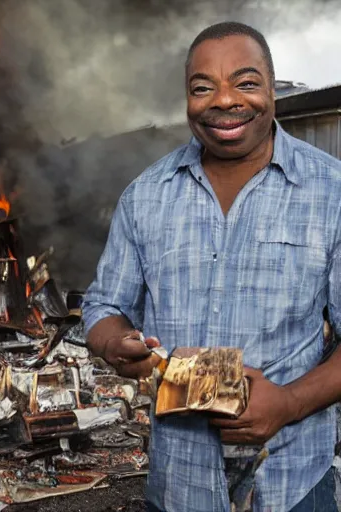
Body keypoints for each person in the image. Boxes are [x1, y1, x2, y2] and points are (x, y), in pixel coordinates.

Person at [83, 22, 341, 512]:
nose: (224, 100)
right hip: (179, 488)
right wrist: (116, 342)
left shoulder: (332, 192)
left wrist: (287, 405)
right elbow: (103, 305)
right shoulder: (145, 197)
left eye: (245, 83)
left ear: (272, 89)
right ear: (187, 99)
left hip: (292, 486)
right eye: (203, 88)